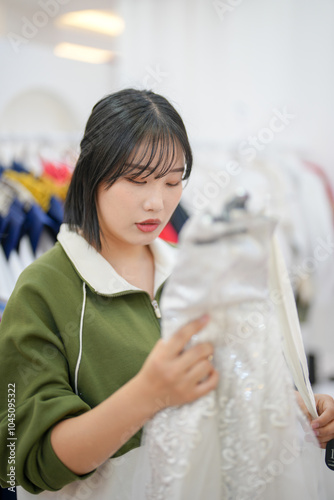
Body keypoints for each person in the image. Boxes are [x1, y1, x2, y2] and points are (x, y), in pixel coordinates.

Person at [0, 88, 333, 499]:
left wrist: (294, 411)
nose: (157, 202)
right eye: (136, 180)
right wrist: (148, 395)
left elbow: (229, 394)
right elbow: (22, 458)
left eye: (173, 182)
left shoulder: (198, 272)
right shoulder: (43, 290)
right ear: (90, 173)